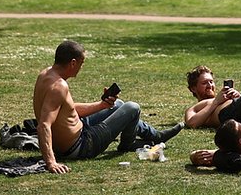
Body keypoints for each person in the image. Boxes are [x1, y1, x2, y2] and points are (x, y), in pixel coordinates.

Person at [33, 40, 182, 174]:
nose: (81, 67)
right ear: (73, 63)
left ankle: (153, 135)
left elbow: (68, 110)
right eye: (81, 63)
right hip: (81, 146)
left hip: (76, 133)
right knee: (133, 107)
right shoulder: (59, 86)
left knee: (117, 105)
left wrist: (103, 105)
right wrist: (51, 162)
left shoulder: (46, 75)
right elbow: (44, 125)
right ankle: (130, 143)